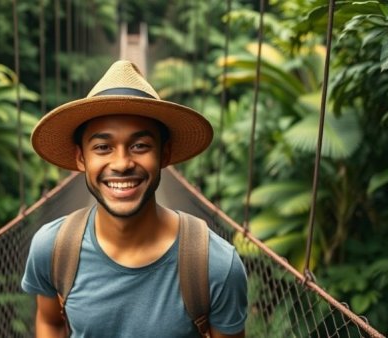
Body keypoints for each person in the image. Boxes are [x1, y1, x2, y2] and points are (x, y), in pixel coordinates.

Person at [22, 60, 247, 337]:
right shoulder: (53, 248)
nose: (122, 163)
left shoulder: (215, 265)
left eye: (140, 146)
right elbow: (50, 322)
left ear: (164, 155)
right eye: (103, 147)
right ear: (81, 158)